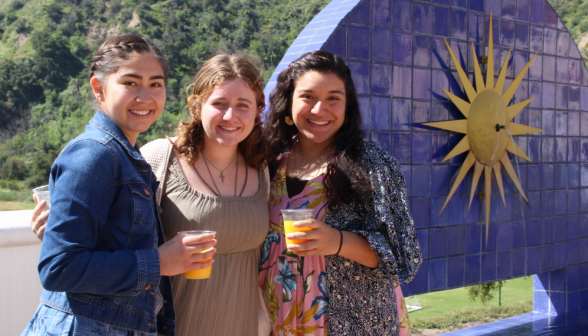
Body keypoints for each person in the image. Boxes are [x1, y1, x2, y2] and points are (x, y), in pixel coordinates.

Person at [23, 35, 217, 336]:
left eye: (156, 84)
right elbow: (58, 268)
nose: (146, 97)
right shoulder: (94, 154)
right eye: (130, 83)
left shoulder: (124, 154)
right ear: (98, 88)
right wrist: (158, 262)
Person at [259, 50, 422, 335]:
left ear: (347, 107)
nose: (320, 109)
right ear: (288, 103)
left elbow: (402, 256)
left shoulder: (371, 163)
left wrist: (336, 241)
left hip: (351, 322)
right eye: (308, 97)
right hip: (275, 316)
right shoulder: (268, 161)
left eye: (333, 98)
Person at [139, 54, 271, 336]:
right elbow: (119, 238)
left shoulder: (262, 170)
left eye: (243, 105)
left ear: (258, 110)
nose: (230, 116)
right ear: (197, 106)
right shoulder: (159, 159)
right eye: (219, 103)